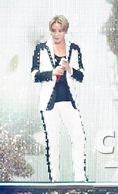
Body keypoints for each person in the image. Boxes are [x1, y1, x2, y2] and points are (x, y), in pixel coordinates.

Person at [31, 15, 87, 182]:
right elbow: (34, 75)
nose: (56, 34)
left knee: (78, 137)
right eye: (54, 31)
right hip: (50, 102)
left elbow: (81, 75)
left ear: (65, 31)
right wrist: (52, 73)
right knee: (53, 142)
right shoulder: (41, 49)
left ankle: (80, 177)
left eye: (60, 31)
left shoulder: (74, 49)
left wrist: (69, 69)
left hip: (68, 101)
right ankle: (55, 180)